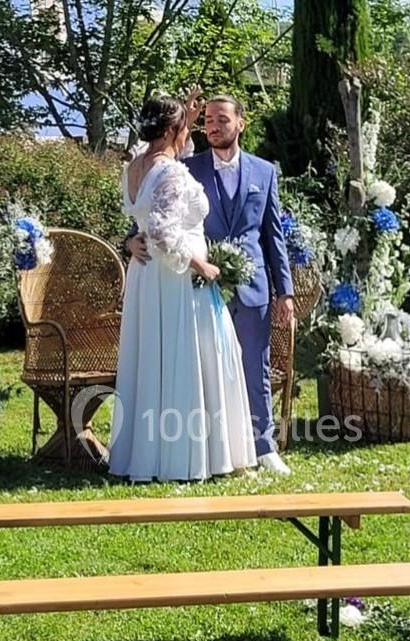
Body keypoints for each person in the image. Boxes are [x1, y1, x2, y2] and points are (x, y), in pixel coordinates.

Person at [127, 94, 295, 475]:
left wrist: (284, 291)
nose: (213, 126)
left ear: (241, 123)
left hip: (251, 286)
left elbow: (274, 236)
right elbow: (151, 212)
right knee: (206, 368)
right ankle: (216, 446)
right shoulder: (184, 166)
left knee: (255, 365)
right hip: (197, 287)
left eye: (221, 119)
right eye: (206, 120)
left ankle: (263, 445)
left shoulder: (265, 172)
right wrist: (128, 240)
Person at [109, 95, 258, 482]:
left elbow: (149, 213)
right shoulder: (171, 173)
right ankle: (186, 456)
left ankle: (149, 452)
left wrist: (130, 241)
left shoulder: (135, 167)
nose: (191, 130)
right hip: (176, 280)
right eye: (185, 126)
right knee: (191, 356)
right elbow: (162, 232)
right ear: (173, 129)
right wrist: (202, 265)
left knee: (155, 360)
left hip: (147, 279)